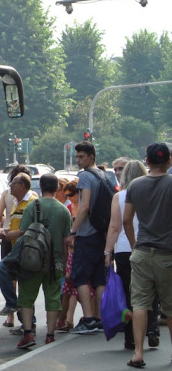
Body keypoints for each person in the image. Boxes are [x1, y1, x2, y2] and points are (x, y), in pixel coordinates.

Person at [123, 143, 172, 368]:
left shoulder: (135, 185)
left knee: (140, 303)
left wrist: (135, 245)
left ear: (147, 161)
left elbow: (126, 220)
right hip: (167, 254)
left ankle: (138, 353)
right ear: (169, 161)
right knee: (170, 306)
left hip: (142, 251)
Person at [15, 174, 72, 349]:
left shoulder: (33, 206)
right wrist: (63, 263)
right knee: (53, 297)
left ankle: (28, 333)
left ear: (40, 187)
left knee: (26, 296)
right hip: (55, 261)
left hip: (33, 260)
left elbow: (23, 232)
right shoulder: (63, 210)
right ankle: (50, 334)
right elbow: (66, 241)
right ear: (57, 189)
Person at [103, 160, 153, 350]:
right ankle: (151, 330)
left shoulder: (119, 197)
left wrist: (108, 251)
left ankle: (131, 337)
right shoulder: (151, 193)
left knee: (128, 293)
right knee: (150, 290)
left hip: (124, 249)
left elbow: (115, 226)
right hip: (148, 246)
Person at [68, 141, 107, 334]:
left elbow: (84, 207)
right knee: (99, 278)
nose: (78, 160)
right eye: (76, 157)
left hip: (86, 233)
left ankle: (89, 319)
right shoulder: (103, 174)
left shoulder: (84, 176)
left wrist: (73, 231)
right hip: (102, 233)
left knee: (80, 276)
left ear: (91, 156)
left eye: (81, 157)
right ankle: (99, 319)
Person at [0, 172, 37, 328]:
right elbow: (13, 224)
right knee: (21, 284)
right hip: (16, 247)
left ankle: (14, 306)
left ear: (22, 186)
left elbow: (33, 228)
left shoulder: (32, 202)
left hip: (26, 249)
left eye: (13, 183)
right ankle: (27, 324)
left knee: (3, 269)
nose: (10, 186)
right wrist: (4, 232)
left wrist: (17, 233)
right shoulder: (15, 202)